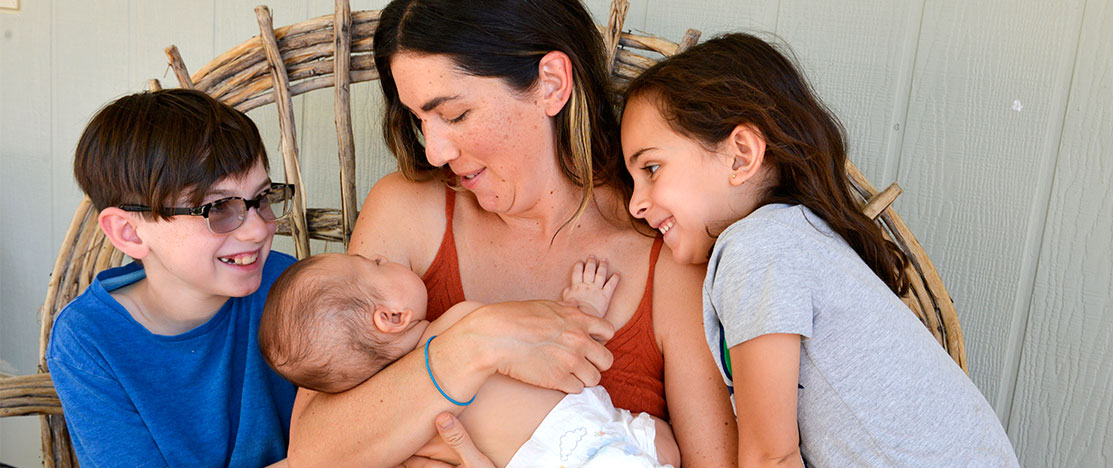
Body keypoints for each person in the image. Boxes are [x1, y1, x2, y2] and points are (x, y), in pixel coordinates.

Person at [286, 0, 735, 466]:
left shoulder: (667, 249)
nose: (435, 152)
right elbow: (310, 453)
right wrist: (474, 343)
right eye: (421, 120)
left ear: (551, 84)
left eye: (455, 115)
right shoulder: (408, 208)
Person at [619, 33, 1020, 467]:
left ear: (741, 155)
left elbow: (770, 457)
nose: (635, 203)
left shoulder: (757, 249)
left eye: (652, 168)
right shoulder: (796, 239)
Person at [47, 88, 300, 467]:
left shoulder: (289, 285)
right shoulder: (87, 340)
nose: (258, 231)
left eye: (260, 198)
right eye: (218, 208)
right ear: (129, 232)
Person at [260, 254, 679, 467]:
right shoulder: (461, 322)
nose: (384, 257)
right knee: (664, 447)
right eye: (374, 264)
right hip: (594, 434)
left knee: (665, 444)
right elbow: (553, 339)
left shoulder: (409, 432)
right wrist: (581, 307)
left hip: (575, 442)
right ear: (391, 317)